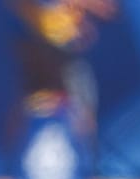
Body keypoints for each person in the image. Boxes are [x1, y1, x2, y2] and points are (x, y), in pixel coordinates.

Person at [10, 0, 117, 156]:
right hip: (38, 49)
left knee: (81, 114)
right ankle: (19, 164)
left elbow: (109, 10)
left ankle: (87, 164)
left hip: (67, 53)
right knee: (32, 113)